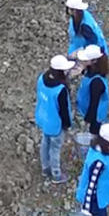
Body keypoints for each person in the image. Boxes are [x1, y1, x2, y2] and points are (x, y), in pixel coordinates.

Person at [35, 54, 75, 182]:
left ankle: (45, 168)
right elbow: (64, 111)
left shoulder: (42, 78)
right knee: (55, 148)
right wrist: (67, 125)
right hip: (55, 124)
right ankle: (56, 174)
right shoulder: (60, 90)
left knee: (44, 143)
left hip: (43, 118)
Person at [75, 45, 109, 135]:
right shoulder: (89, 71)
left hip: (94, 119)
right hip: (84, 111)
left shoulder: (96, 82)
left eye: (86, 60)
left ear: (94, 61)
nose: (82, 61)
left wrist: (87, 121)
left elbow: (94, 104)